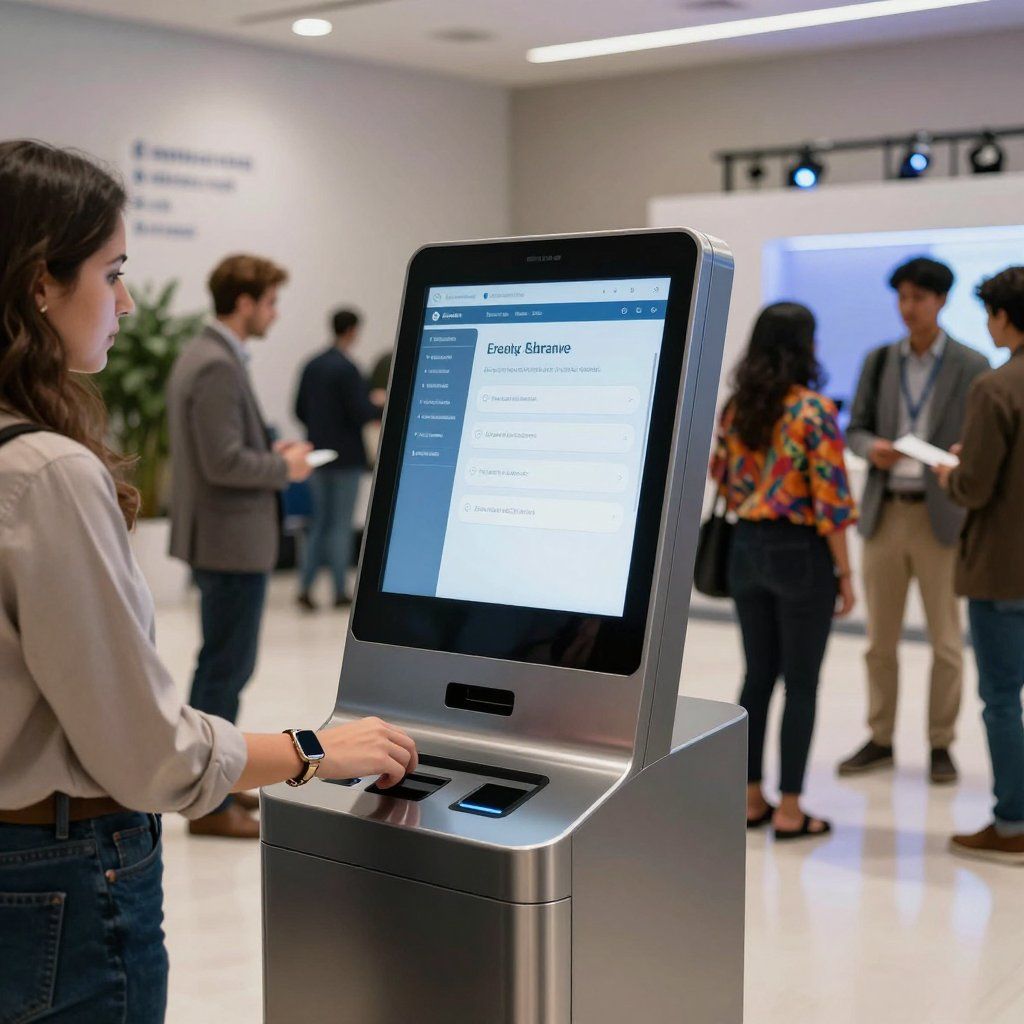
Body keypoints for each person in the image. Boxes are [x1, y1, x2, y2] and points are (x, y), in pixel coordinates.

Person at [0, 141, 417, 1022]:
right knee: (222, 668)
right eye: (113, 272)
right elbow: (147, 750)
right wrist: (310, 753)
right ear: (41, 283)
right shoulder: (44, 474)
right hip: (62, 879)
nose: (126, 300)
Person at [165, 256, 315, 838]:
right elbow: (223, 461)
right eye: (271, 302)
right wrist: (284, 466)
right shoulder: (216, 364)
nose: (275, 313)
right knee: (224, 670)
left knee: (225, 664)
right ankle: (208, 801)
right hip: (229, 543)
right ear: (245, 301)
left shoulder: (211, 356)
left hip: (227, 540)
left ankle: (220, 783)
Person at [838, 258, 989, 784]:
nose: (908, 308)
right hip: (886, 513)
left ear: (942, 301)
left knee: (947, 642)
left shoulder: (972, 365)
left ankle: (941, 743)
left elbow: (985, 443)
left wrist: (960, 459)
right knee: (880, 639)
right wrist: (870, 447)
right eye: (902, 297)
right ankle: (880, 736)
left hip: (941, 518)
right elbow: (853, 427)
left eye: (918, 298)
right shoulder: (879, 360)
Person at [710, 303, 857, 841]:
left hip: (745, 548)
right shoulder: (812, 411)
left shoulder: (737, 409)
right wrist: (845, 574)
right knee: (802, 682)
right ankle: (792, 810)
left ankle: (751, 800)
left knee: (756, 675)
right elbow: (832, 501)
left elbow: (721, 479)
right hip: (800, 552)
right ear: (804, 345)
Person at [935, 267, 1024, 863]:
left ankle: (1013, 822)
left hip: (1003, 569)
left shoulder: (995, 388)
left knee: (1000, 697)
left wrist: (951, 471)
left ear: (1002, 315)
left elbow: (974, 487)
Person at [294, 308, 382, 610]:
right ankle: (339, 590)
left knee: (318, 524)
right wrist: (378, 403)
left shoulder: (312, 365)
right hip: (347, 458)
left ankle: (305, 587)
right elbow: (362, 413)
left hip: (317, 455)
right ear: (353, 331)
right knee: (341, 525)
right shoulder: (348, 369)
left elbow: (298, 409)